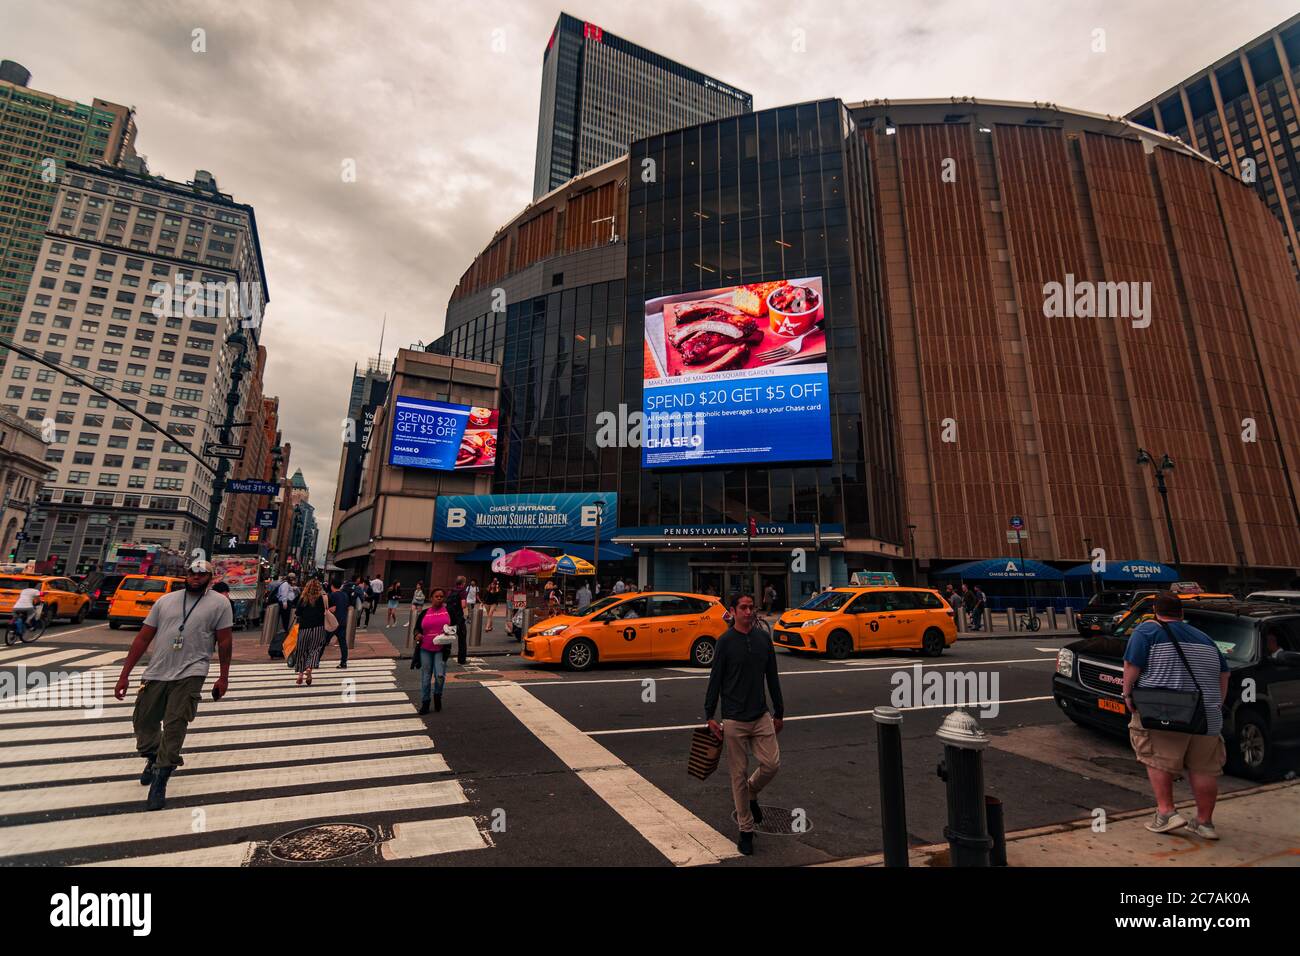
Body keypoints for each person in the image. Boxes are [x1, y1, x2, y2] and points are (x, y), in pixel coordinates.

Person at [113, 560, 233, 811]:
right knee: (143, 722)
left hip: (192, 671)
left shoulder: (220, 603)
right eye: (192, 573)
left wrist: (223, 677)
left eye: (202, 574)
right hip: (157, 670)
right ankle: (153, 757)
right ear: (186, 575)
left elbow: (224, 642)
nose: (196, 577)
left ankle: (161, 778)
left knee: (175, 723)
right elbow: (143, 637)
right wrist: (125, 674)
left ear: (210, 577)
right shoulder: (165, 601)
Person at [1123, 590, 1229, 838]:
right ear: (1181, 613)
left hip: (1166, 710)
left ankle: (1166, 813)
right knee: (1204, 769)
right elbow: (1224, 674)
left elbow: (1131, 665)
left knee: (1157, 758)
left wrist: (1127, 695)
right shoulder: (1205, 638)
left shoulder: (1147, 630)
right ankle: (1205, 822)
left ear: (1155, 612)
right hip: (1206, 714)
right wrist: (1216, 703)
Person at [705, 592, 784, 856]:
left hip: (761, 714)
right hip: (734, 718)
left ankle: (753, 792)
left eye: (751, 607)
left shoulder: (763, 639)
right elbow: (715, 679)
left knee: (772, 764)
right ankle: (745, 829)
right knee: (737, 775)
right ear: (733, 611)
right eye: (743, 607)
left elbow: (772, 676)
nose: (749, 612)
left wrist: (779, 712)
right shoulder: (725, 642)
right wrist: (709, 715)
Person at [415, 587, 453, 714]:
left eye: (441, 596)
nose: (439, 598)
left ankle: (438, 695)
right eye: (436, 596)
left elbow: (455, 626)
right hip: (425, 648)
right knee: (426, 677)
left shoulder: (448, 611)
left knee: (440, 676)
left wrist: (450, 633)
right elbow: (417, 629)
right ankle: (425, 702)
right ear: (431, 598)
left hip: (441, 649)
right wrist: (417, 635)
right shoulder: (424, 613)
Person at [293, 579, 330, 686]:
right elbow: (327, 611)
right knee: (315, 649)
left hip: (304, 628)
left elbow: (297, 612)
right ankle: (309, 668)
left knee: (302, 650)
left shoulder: (303, 598)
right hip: (318, 628)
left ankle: (300, 675)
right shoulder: (322, 598)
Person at [325, 579, 351, 669]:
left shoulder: (332, 595)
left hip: (333, 623)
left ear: (332, 586)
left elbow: (329, 608)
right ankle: (343, 662)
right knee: (343, 643)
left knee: (323, 641)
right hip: (343, 621)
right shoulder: (345, 595)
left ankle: (315, 662)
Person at [447, 575, 468, 663]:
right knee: (462, 638)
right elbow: (463, 605)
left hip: (449, 617)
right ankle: (461, 659)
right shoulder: (462, 592)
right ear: (463, 583)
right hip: (459, 617)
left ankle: (444, 658)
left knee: (447, 638)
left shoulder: (451, 591)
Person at [276, 573, 298, 638]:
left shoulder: (288, 584)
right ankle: (285, 630)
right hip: (285, 603)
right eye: (291, 578)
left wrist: (293, 588)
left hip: (288, 602)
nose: (293, 580)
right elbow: (284, 593)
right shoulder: (285, 584)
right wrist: (284, 602)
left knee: (287, 617)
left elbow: (289, 590)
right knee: (285, 617)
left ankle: (286, 629)